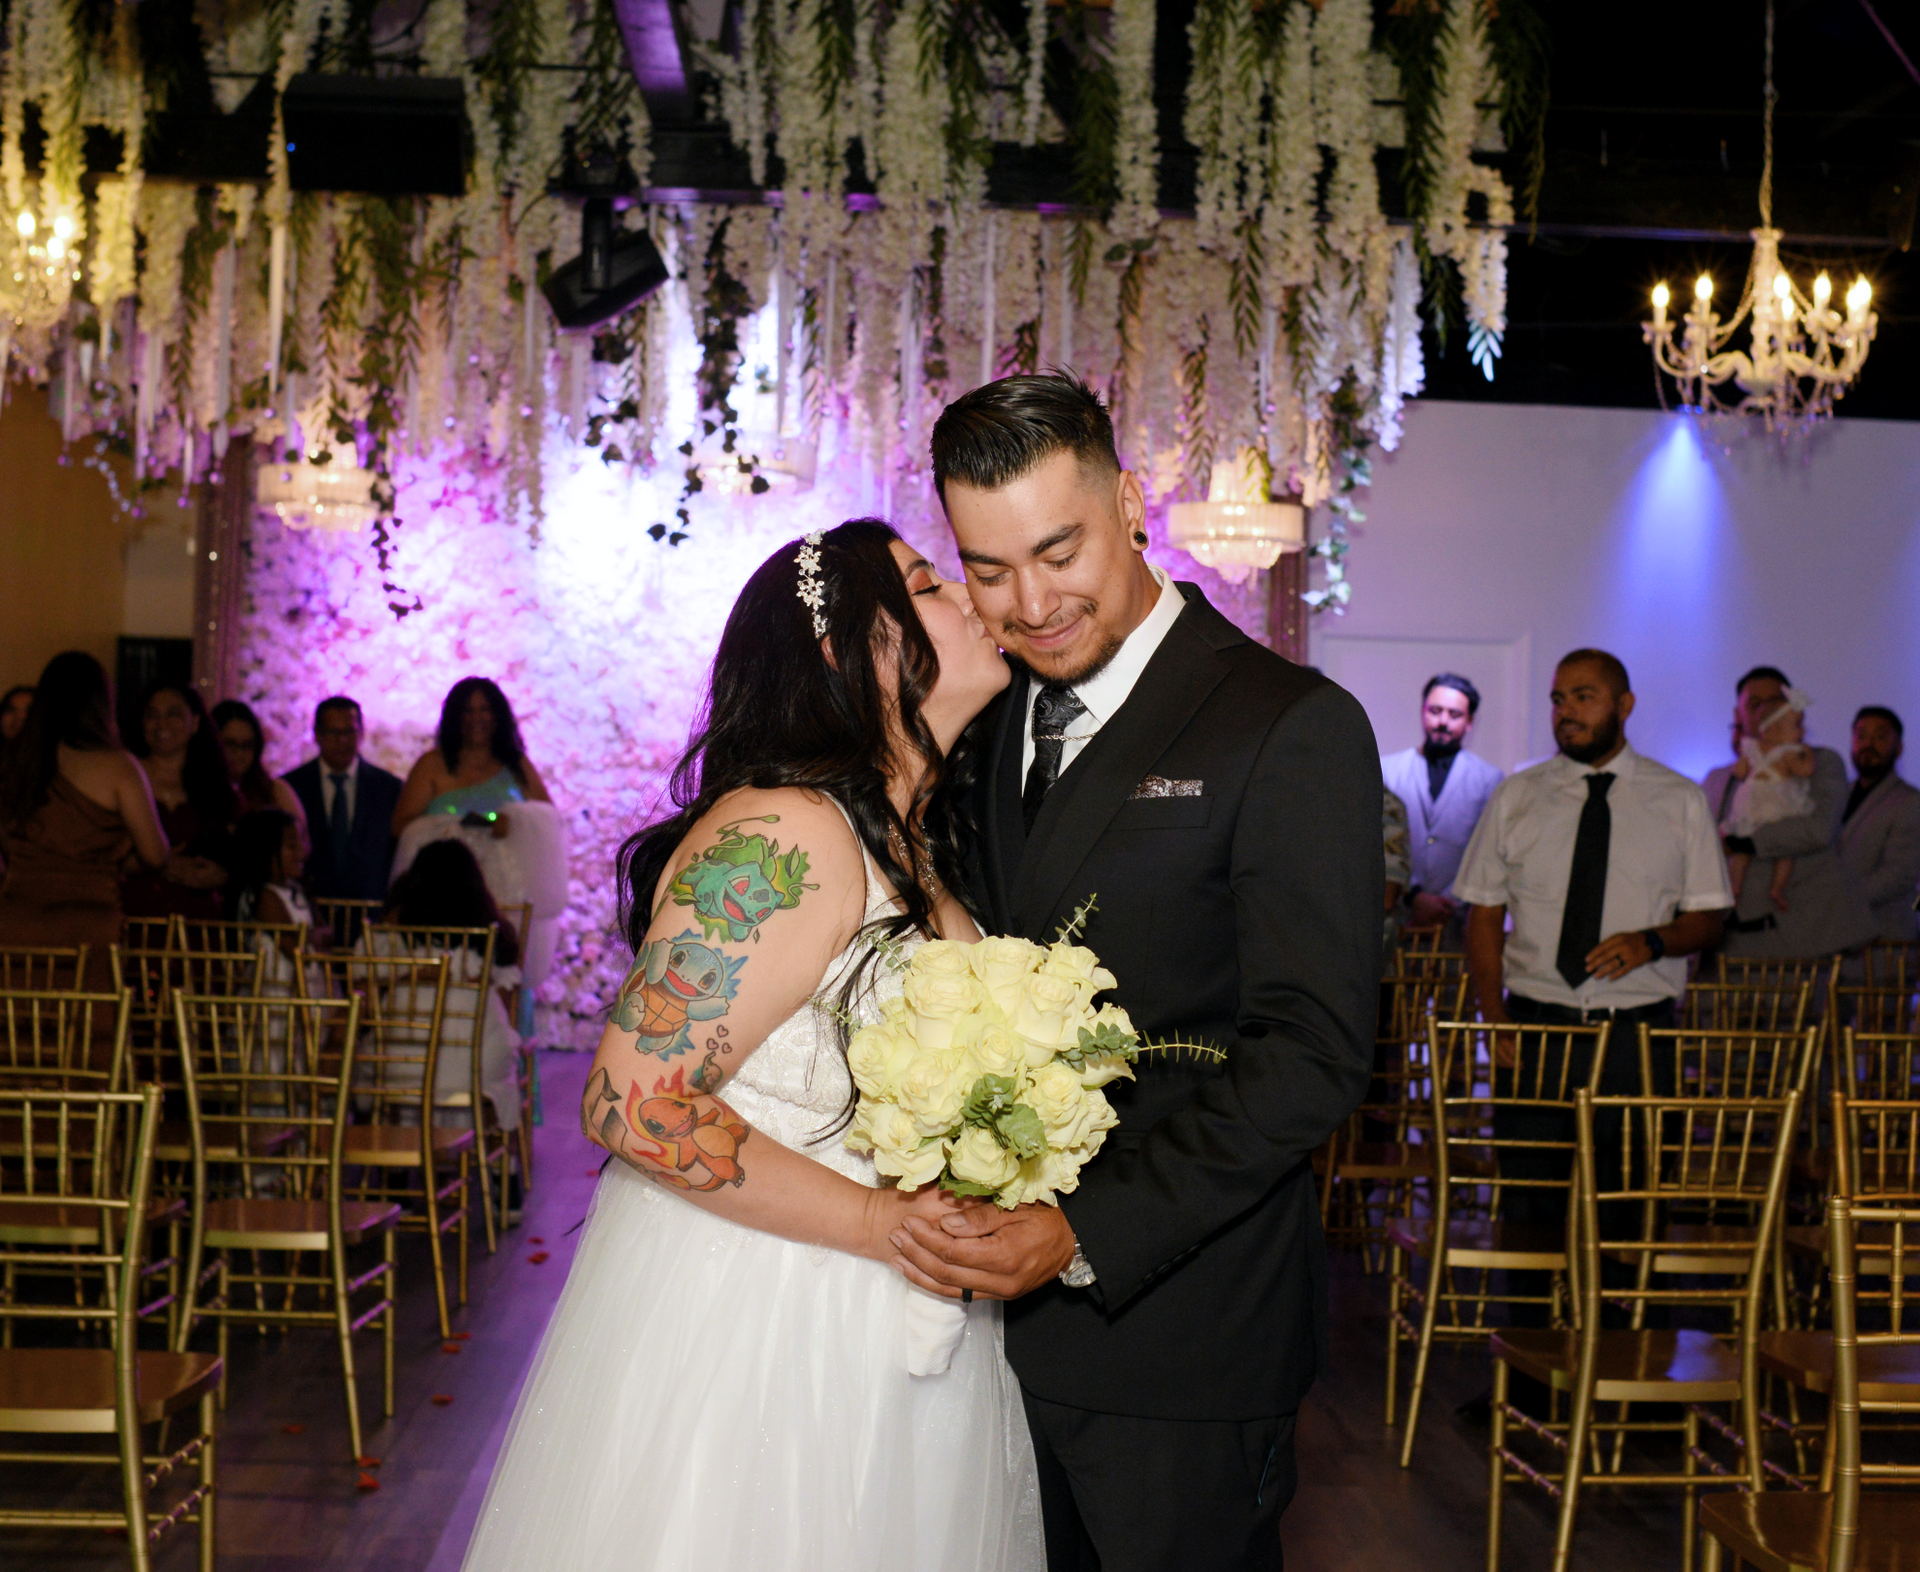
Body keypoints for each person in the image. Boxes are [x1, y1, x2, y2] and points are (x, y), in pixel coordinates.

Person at [460, 522, 1042, 1572]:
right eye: (928, 584)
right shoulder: (783, 833)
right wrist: (875, 1217)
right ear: (853, 650)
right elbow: (631, 1101)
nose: (968, 595)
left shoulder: (905, 842)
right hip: (768, 1325)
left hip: (896, 1319)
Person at [893, 373, 1381, 1572]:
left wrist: (1082, 1231)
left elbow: (1312, 1053)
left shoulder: (1286, 722)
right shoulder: (984, 712)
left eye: (1058, 551)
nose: (1030, 602)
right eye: (989, 568)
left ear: (1128, 502)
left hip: (1181, 1336)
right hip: (978, 1342)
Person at [0, 654, 169, 977]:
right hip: (86, 928)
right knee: (87, 1024)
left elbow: (9, 844)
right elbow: (155, 854)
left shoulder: (14, 764)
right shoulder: (118, 767)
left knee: (23, 1024)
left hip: (17, 922)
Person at [1702, 667, 1877, 959]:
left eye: (1775, 703)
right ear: (1739, 714)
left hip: (1799, 941)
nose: (1765, 711)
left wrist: (1740, 843)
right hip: (1729, 944)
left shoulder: (1820, 762)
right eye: (1754, 704)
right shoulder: (1718, 778)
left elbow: (1817, 831)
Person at [374, 839, 525, 1122]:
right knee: (497, 1047)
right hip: (475, 1064)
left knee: (380, 1048)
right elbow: (505, 1008)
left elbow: (370, 985)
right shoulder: (491, 933)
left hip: (399, 1063)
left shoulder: (395, 931)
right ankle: (485, 1153)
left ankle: (401, 1148)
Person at [1379, 673, 1504, 936]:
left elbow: (1489, 854)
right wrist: (1413, 896)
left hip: (1457, 924)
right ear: (1423, 711)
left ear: (1470, 722)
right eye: (1435, 711)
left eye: (1455, 714)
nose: (1443, 722)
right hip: (1396, 923)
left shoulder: (1489, 780)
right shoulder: (1387, 771)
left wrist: (1448, 903)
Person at [124, 681, 240, 920]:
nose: (161, 724)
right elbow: (100, 855)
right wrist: (157, 864)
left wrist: (221, 875)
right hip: (136, 917)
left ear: (195, 723)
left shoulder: (218, 788)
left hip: (198, 922)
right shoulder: (122, 777)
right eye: (152, 715)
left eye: (173, 715)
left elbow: (243, 859)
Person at [392, 678, 552, 837]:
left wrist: (516, 821)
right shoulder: (430, 765)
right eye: (467, 710)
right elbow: (400, 827)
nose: (476, 718)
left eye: (484, 709)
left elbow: (549, 820)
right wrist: (451, 827)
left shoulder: (517, 764)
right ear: (455, 717)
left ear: (497, 715)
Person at [283, 697, 404, 905]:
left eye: (349, 732)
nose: (342, 741)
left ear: (361, 734)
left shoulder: (389, 789)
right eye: (333, 733)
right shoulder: (292, 787)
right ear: (317, 735)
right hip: (307, 907)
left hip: (370, 911)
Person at [1719, 685, 1817, 912]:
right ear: (1774, 729)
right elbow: (1805, 772)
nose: (1802, 732)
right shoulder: (1790, 752)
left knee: (1742, 849)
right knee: (1784, 850)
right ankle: (1777, 887)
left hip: (1750, 801)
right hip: (1776, 802)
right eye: (1797, 726)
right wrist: (1808, 755)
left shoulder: (1752, 747)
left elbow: (1740, 773)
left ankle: (1735, 886)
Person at [1838, 705, 1920, 943]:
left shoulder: (1910, 801)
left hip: (1884, 941)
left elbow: (1900, 874)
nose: (1868, 744)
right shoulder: (1839, 795)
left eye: (1880, 737)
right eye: (1861, 736)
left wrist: (1836, 898)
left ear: (1899, 747)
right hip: (1837, 939)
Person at [212, 698, 310, 833]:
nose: (240, 753)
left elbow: (300, 844)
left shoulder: (274, 792)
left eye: (247, 745)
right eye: (230, 745)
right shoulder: (194, 789)